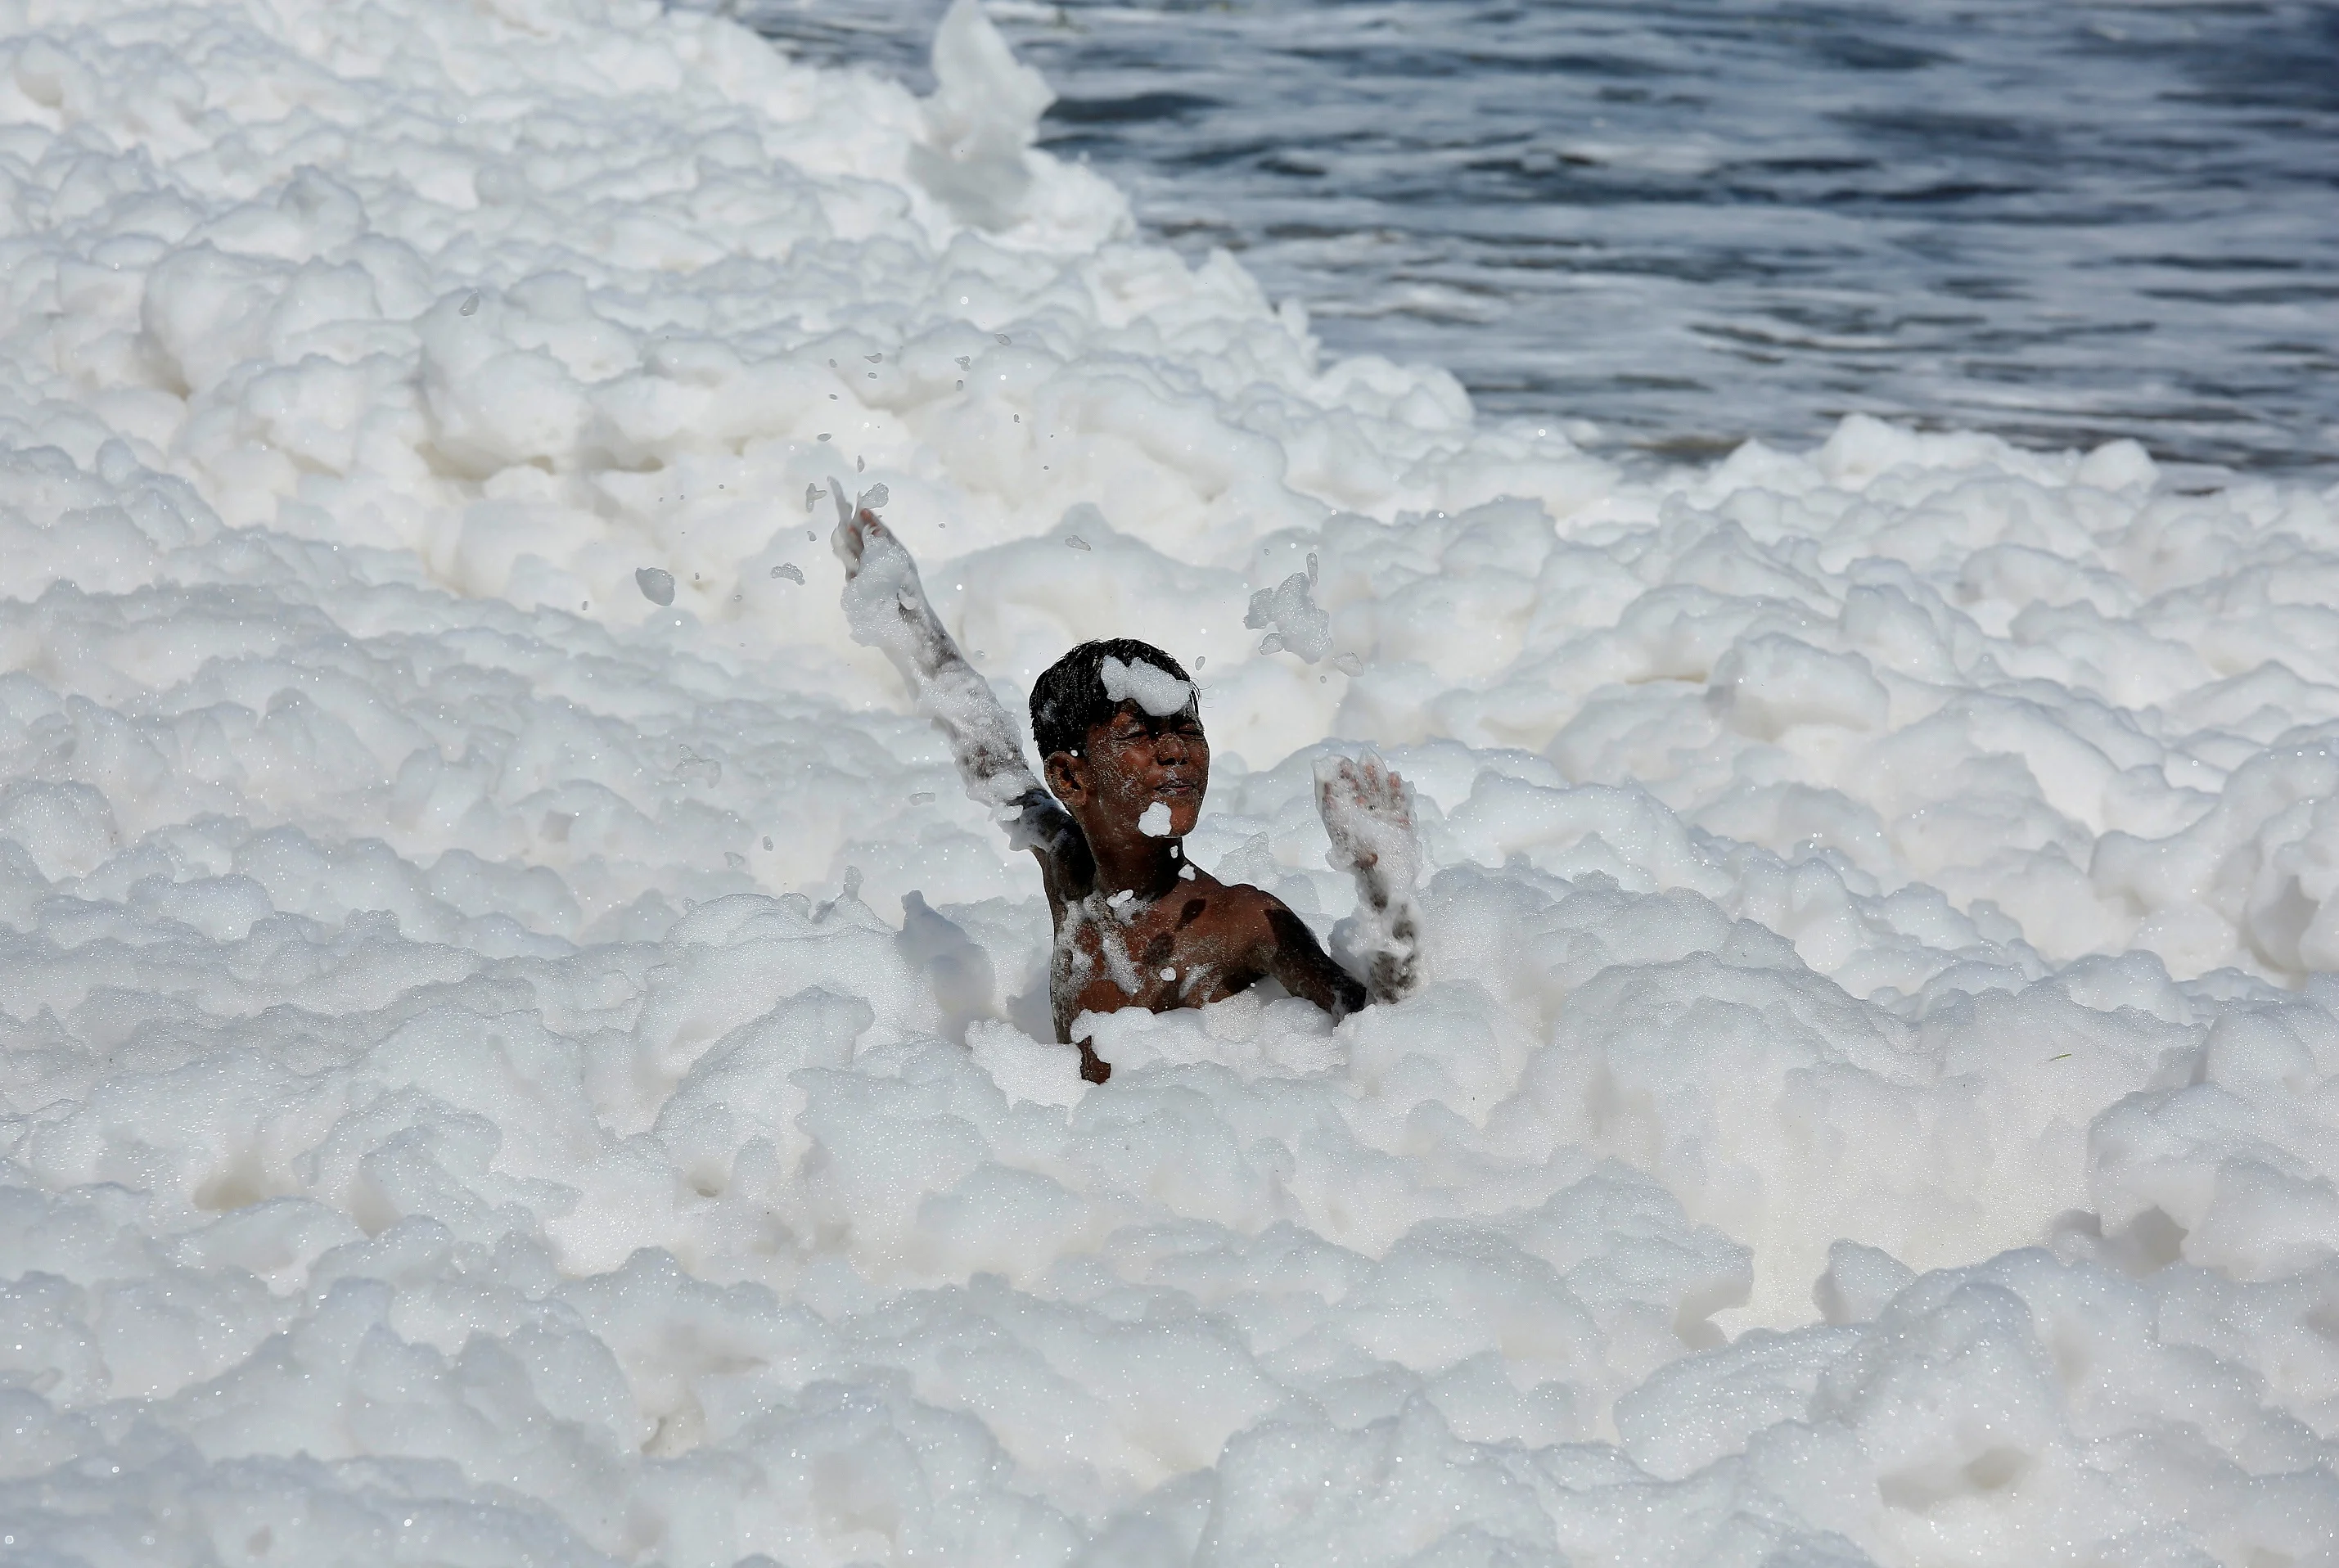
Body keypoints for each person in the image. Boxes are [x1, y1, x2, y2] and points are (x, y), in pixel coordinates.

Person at [830, 484, 1423, 1081]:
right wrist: (899, 600)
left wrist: (1384, 892)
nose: (1174, 752)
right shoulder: (1069, 873)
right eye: (1138, 733)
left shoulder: (1240, 923)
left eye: (1187, 729)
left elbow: (1380, 1037)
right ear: (1070, 777)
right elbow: (985, 751)